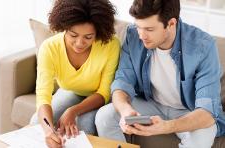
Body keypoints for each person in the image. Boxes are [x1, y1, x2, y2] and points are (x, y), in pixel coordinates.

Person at [95, 0, 225, 147]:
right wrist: (125, 111)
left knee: (202, 136)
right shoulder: (132, 36)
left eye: (149, 29)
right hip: (151, 104)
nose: (141, 35)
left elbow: (207, 113)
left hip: (189, 111)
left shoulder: (203, 46)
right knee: (104, 117)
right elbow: (121, 83)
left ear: (171, 24)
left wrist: (167, 126)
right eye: (139, 27)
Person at [30, 0, 120, 147]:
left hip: (100, 97)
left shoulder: (110, 45)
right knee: (37, 124)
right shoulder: (49, 48)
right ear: (64, 27)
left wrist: (73, 111)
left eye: (88, 37)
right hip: (72, 91)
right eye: (73, 35)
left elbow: (104, 92)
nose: (79, 43)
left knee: (83, 123)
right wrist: (48, 132)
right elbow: (43, 96)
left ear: (97, 33)